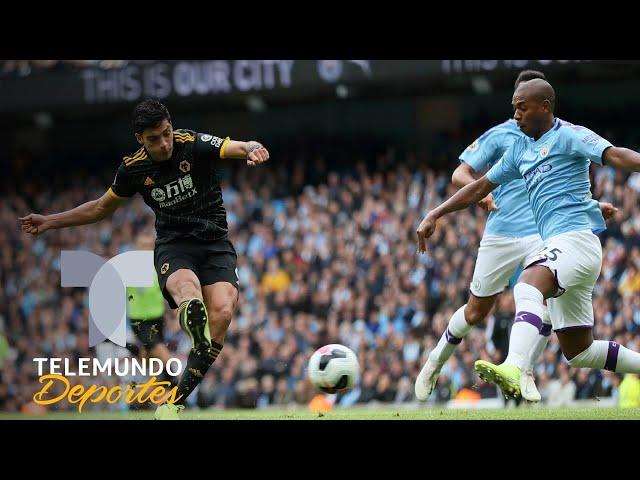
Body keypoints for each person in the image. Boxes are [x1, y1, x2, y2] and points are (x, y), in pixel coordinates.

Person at [19, 98, 270, 419]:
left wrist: (252, 148)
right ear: (140, 138)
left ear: (171, 126)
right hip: (174, 246)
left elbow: (235, 146)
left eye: (167, 133)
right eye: (155, 139)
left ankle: (175, 400)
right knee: (187, 290)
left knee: (222, 311)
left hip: (215, 244)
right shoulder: (134, 168)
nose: (165, 143)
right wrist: (50, 221)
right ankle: (191, 314)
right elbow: (99, 208)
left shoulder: (191, 143)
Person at [416, 78, 640, 400]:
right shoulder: (519, 150)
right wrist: (435, 213)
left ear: (544, 106)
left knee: (527, 285)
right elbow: (478, 187)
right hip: (558, 245)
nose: (516, 115)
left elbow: (615, 155)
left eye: (521, 107)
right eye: (514, 108)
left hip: (575, 241)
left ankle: (515, 365)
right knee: (579, 352)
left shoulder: (569, 135)